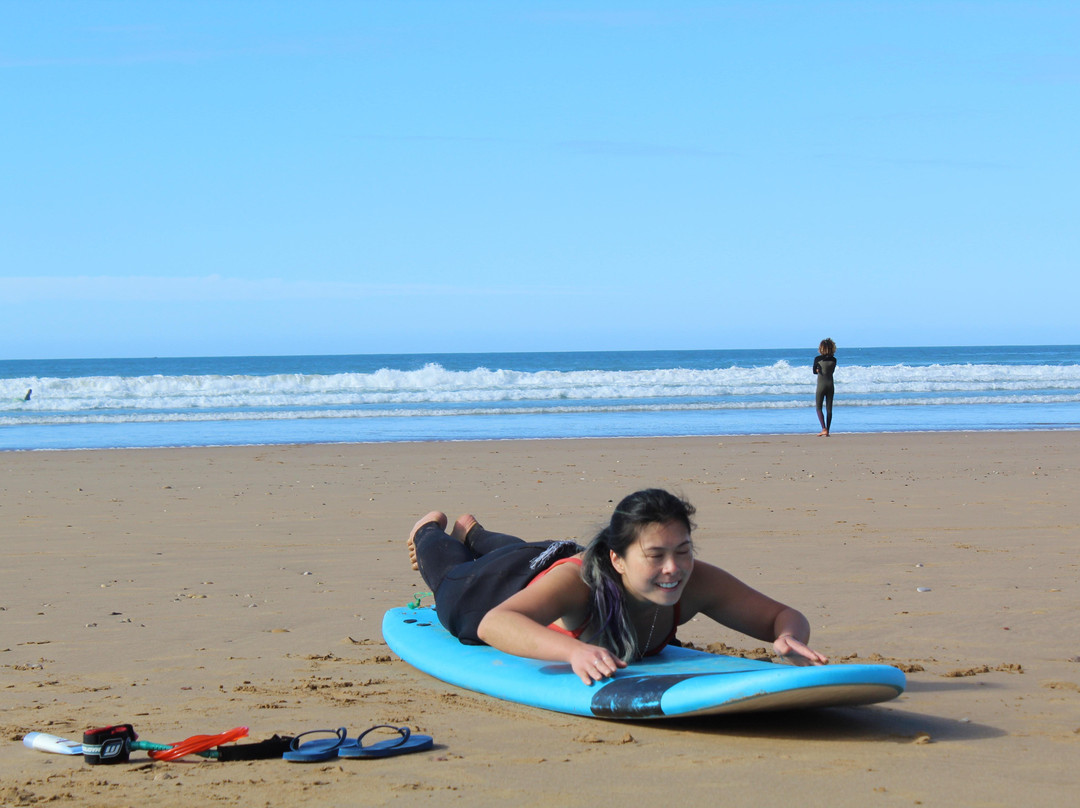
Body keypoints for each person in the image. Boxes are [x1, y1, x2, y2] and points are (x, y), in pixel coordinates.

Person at [408, 488, 828, 685]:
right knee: (450, 582)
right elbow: (494, 624)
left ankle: (475, 533)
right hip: (492, 590)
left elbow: (781, 616)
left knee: (519, 550)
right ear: (618, 560)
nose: (673, 569)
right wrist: (575, 650)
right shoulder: (582, 583)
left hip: (544, 559)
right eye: (655, 555)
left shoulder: (695, 580)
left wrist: (789, 637)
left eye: (682, 550)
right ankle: (430, 530)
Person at [813, 338, 837, 436]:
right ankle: (828, 430)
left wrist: (818, 369)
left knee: (819, 407)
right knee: (829, 408)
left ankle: (823, 428)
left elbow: (814, 371)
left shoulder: (818, 359)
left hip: (821, 385)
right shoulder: (834, 359)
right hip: (830, 385)